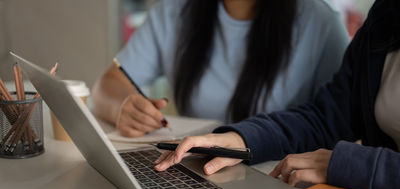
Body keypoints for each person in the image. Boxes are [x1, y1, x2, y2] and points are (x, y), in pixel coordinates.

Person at [154, 0, 400, 189]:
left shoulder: (317, 18)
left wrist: (351, 165)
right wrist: (241, 139)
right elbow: (326, 118)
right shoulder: (386, 16)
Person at [92, 0, 349, 137]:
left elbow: (343, 126)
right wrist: (124, 107)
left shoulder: (320, 23)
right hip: (194, 175)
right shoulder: (174, 12)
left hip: (282, 184)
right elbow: (107, 84)